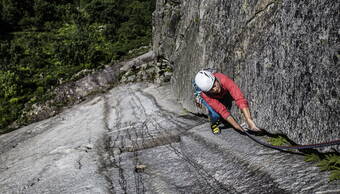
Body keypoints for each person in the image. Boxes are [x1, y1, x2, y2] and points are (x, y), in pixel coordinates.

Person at [193, 69, 261, 134]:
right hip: (203, 95)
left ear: (215, 79)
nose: (215, 89)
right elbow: (221, 110)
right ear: (208, 91)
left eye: (214, 86)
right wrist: (236, 126)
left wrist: (249, 119)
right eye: (211, 90)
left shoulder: (224, 80)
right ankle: (213, 125)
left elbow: (239, 98)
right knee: (215, 114)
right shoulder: (205, 94)